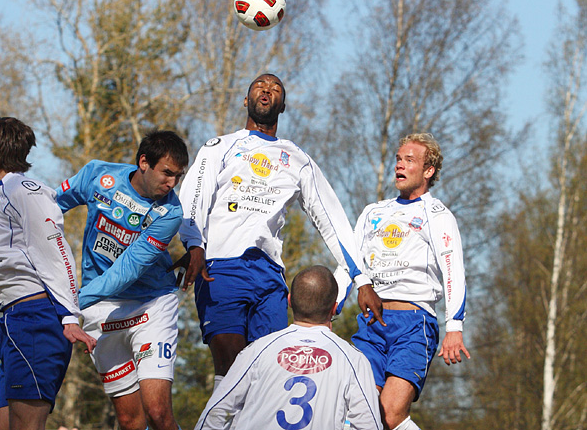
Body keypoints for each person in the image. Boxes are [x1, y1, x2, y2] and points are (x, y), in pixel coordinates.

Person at [175, 73, 384, 390]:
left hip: (269, 277)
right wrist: (194, 245)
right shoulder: (219, 147)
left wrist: (362, 279)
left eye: (275, 88)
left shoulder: (297, 159)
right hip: (221, 268)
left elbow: (331, 217)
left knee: (268, 376)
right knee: (232, 365)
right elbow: (193, 197)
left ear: (282, 105)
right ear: (246, 100)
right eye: (259, 86)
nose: (266, 90)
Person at [0, 117, 96, 430]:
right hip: (14, 323)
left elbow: (56, 253)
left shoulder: (27, 191)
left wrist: (69, 316)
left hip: (36, 320)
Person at [55, 129, 188, 430]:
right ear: (144, 162)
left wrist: (70, 305)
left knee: (157, 412)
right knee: (130, 420)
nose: (172, 184)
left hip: (151, 305)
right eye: (167, 173)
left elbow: (127, 270)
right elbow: (48, 209)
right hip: (99, 308)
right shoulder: (96, 175)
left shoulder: (170, 212)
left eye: (178, 176)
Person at [345, 133, 471, 430]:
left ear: (429, 171)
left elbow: (454, 270)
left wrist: (454, 326)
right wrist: (330, 306)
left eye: (409, 160)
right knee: (359, 415)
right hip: (372, 323)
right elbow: (349, 263)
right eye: (398, 159)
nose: (400, 165)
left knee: (389, 414)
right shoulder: (373, 212)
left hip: (413, 324)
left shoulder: (437, 215)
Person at [194, 265, 383, 430]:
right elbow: (369, 424)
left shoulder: (257, 350)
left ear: (290, 300)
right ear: (334, 308)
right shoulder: (353, 359)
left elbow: (217, 410)